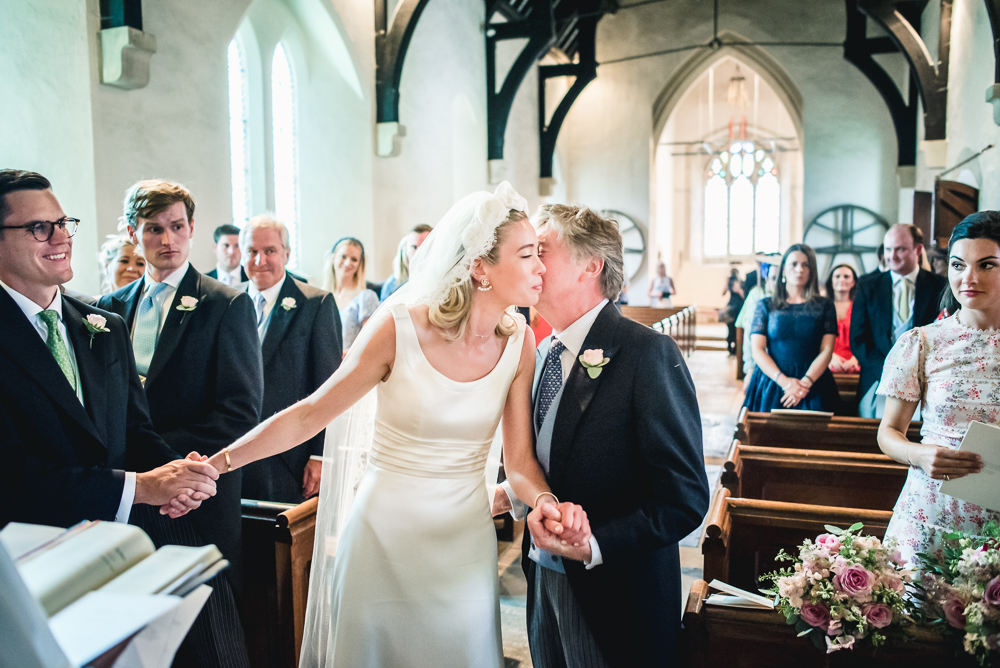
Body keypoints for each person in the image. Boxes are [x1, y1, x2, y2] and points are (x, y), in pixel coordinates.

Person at [202, 182, 585, 667]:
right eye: (528, 254)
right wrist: (219, 463)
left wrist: (545, 502)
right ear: (480, 268)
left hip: (463, 546)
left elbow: (521, 461)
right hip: (383, 538)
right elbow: (310, 412)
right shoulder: (399, 328)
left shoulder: (519, 343)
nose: (541, 267)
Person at [499, 204, 709, 667]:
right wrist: (513, 494)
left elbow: (686, 497)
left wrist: (595, 544)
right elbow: (551, 453)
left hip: (616, 592)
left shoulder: (646, 354)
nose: (530, 264)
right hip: (542, 571)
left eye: (541, 251)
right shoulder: (540, 352)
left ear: (590, 265)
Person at [97, 179, 262, 668]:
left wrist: (166, 468)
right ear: (133, 233)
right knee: (141, 629)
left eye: (176, 227)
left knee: (208, 630)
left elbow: (239, 410)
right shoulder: (108, 311)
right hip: (130, 494)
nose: (166, 240)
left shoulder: (224, 304)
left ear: (192, 230)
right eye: (153, 229)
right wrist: (134, 474)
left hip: (197, 489)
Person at [0, 169, 217, 530]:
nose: (61, 239)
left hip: (115, 539)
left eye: (63, 223)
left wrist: (179, 472)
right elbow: (11, 475)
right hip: (26, 552)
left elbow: (133, 431)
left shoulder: (104, 327)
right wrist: (140, 487)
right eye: (39, 228)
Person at [876, 211, 1000, 566]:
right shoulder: (922, 343)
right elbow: (888, 432)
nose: (968, 278)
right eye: (958, 265)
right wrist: (919, 454)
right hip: (933, 512)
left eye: (987, 265)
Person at [239, 215, 343, 503]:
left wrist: (320, 454)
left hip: (289, 454)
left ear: (286, 253)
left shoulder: (315, 304)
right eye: (251, 251)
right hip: (234, 452)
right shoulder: (227, 303)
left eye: (270, 251)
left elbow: (330, 386)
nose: (260, 260)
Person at [850, 224, 947, 418]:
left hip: (926, 385)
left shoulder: (939, 285)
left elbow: (944, 336)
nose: (891, 256)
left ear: (918, 249)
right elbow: (858, 340)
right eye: (888, 249)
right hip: (877, 381)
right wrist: (889, 370)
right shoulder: (868, 285)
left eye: (900, 249)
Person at [743, 244, 840, 413]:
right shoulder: (765, 305)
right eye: (793, 264)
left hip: (813, 381)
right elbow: (758, 350)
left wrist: (805, 384)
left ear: (812, 270)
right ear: (783, 270)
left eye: (805, 265)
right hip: (773, 380)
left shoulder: (825, 306)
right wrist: (786, 383)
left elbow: (827, 350)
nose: (799, 269)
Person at [322, 237, 379, 350]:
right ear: (333, 258)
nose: (348, 263)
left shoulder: (366, 297)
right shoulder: (321, 298)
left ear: (360, 264)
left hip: (350, 363)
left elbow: (370, 343)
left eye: (354, 259)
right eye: (343, 256)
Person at [736, 254, 780, 384]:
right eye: (773, 278)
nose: (777, 283)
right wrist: (749, 368)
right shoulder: (759, 296)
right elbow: (750, 333)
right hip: (762, 364)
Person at [380, 224, 432, 300]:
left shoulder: (444, 281)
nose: (418, 253)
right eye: (414, 247)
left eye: (424, 247)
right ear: (406, 249)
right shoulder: (393, 284)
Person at [825, 264, 860, 374]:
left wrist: (856, 359)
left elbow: (867, 337)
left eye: (846, 276)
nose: (841, 279)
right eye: (837, 276)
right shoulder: (822, 307)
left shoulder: (860, 308)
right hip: (827, 360)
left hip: (855, 362)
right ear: (831, 281)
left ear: (853, 282)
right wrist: (830, 357)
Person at [722, 267, 744, 356]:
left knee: (737, 330)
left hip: (739, 307)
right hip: (731, 308)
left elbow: (744, 296)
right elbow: (723, 293)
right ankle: (729, 348)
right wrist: (726, 283)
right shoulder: (729, 282)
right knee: (730, 329)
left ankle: (736, 349)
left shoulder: (741, 282)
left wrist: (738, 288)